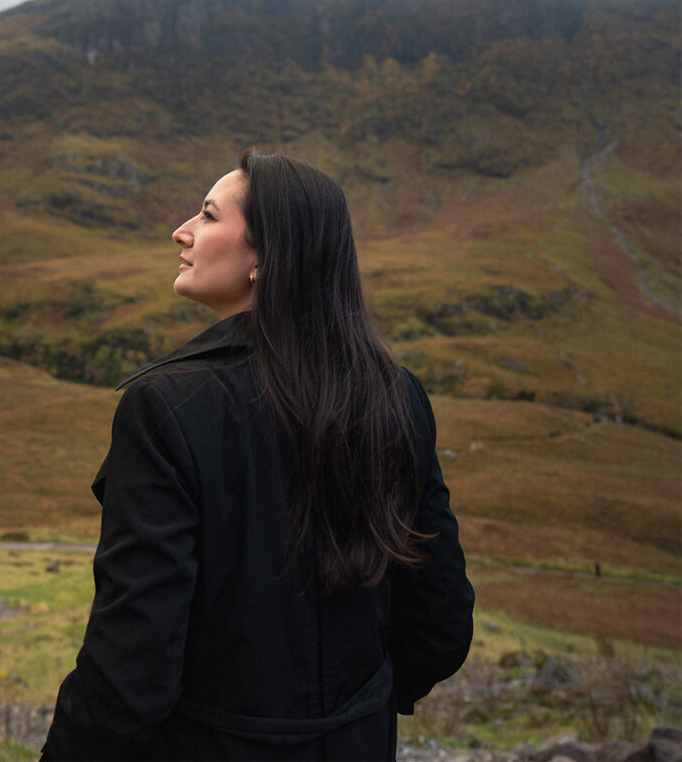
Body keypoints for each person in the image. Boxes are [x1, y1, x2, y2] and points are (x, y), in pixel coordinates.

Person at [41, 150, 474, 761]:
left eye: (209, 216)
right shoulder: (395, 395)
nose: (182, 231)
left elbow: (131, 668)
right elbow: (441, 625)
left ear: (265, 260)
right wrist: (350, 714)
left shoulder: (164, 408)